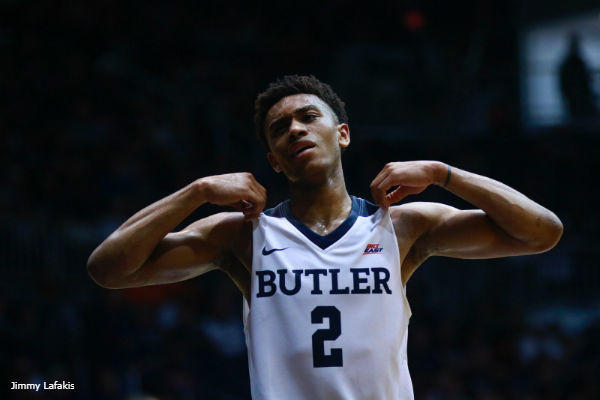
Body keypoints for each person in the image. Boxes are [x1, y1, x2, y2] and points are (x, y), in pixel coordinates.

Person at [87, 75, 563, 399]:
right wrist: (198, 191)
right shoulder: (243, 236)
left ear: (343, 134)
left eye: (308, 118)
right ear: (273, 159)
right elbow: (107, 269)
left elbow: (541, 232)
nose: (294, 129)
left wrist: (445, 174)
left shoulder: (401, 225)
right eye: (279, 129)